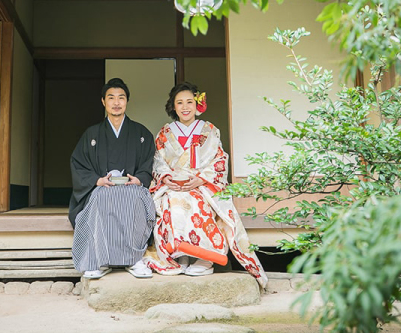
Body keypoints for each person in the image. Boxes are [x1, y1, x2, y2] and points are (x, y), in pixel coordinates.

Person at [144, 82, 268, 288]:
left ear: (197, 104)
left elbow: (219, 160)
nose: (185, 107)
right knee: (172, 202)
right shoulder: (165, 132)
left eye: (189, 102)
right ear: (173, 107)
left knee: (199, 204)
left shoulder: (209, 130)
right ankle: (181, 254)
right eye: (180, 103)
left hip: (202, 184)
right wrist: (166, 178)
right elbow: (158, 160)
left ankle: (205, 258)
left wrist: (200, 179)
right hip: (173, 185)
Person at [69, 77, 156, 279]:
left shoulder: (141, 133)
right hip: (102, 188)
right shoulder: (92, 133)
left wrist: (140, 179)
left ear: (127, 101)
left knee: (136, 199)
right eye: (111, 98)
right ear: (103, 102)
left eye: (121, 98)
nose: (116, 103)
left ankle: (134, 259)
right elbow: (78, 163)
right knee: (100, 197)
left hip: (132, 188)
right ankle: (100, 260)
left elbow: (149, 163)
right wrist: (96, 180)